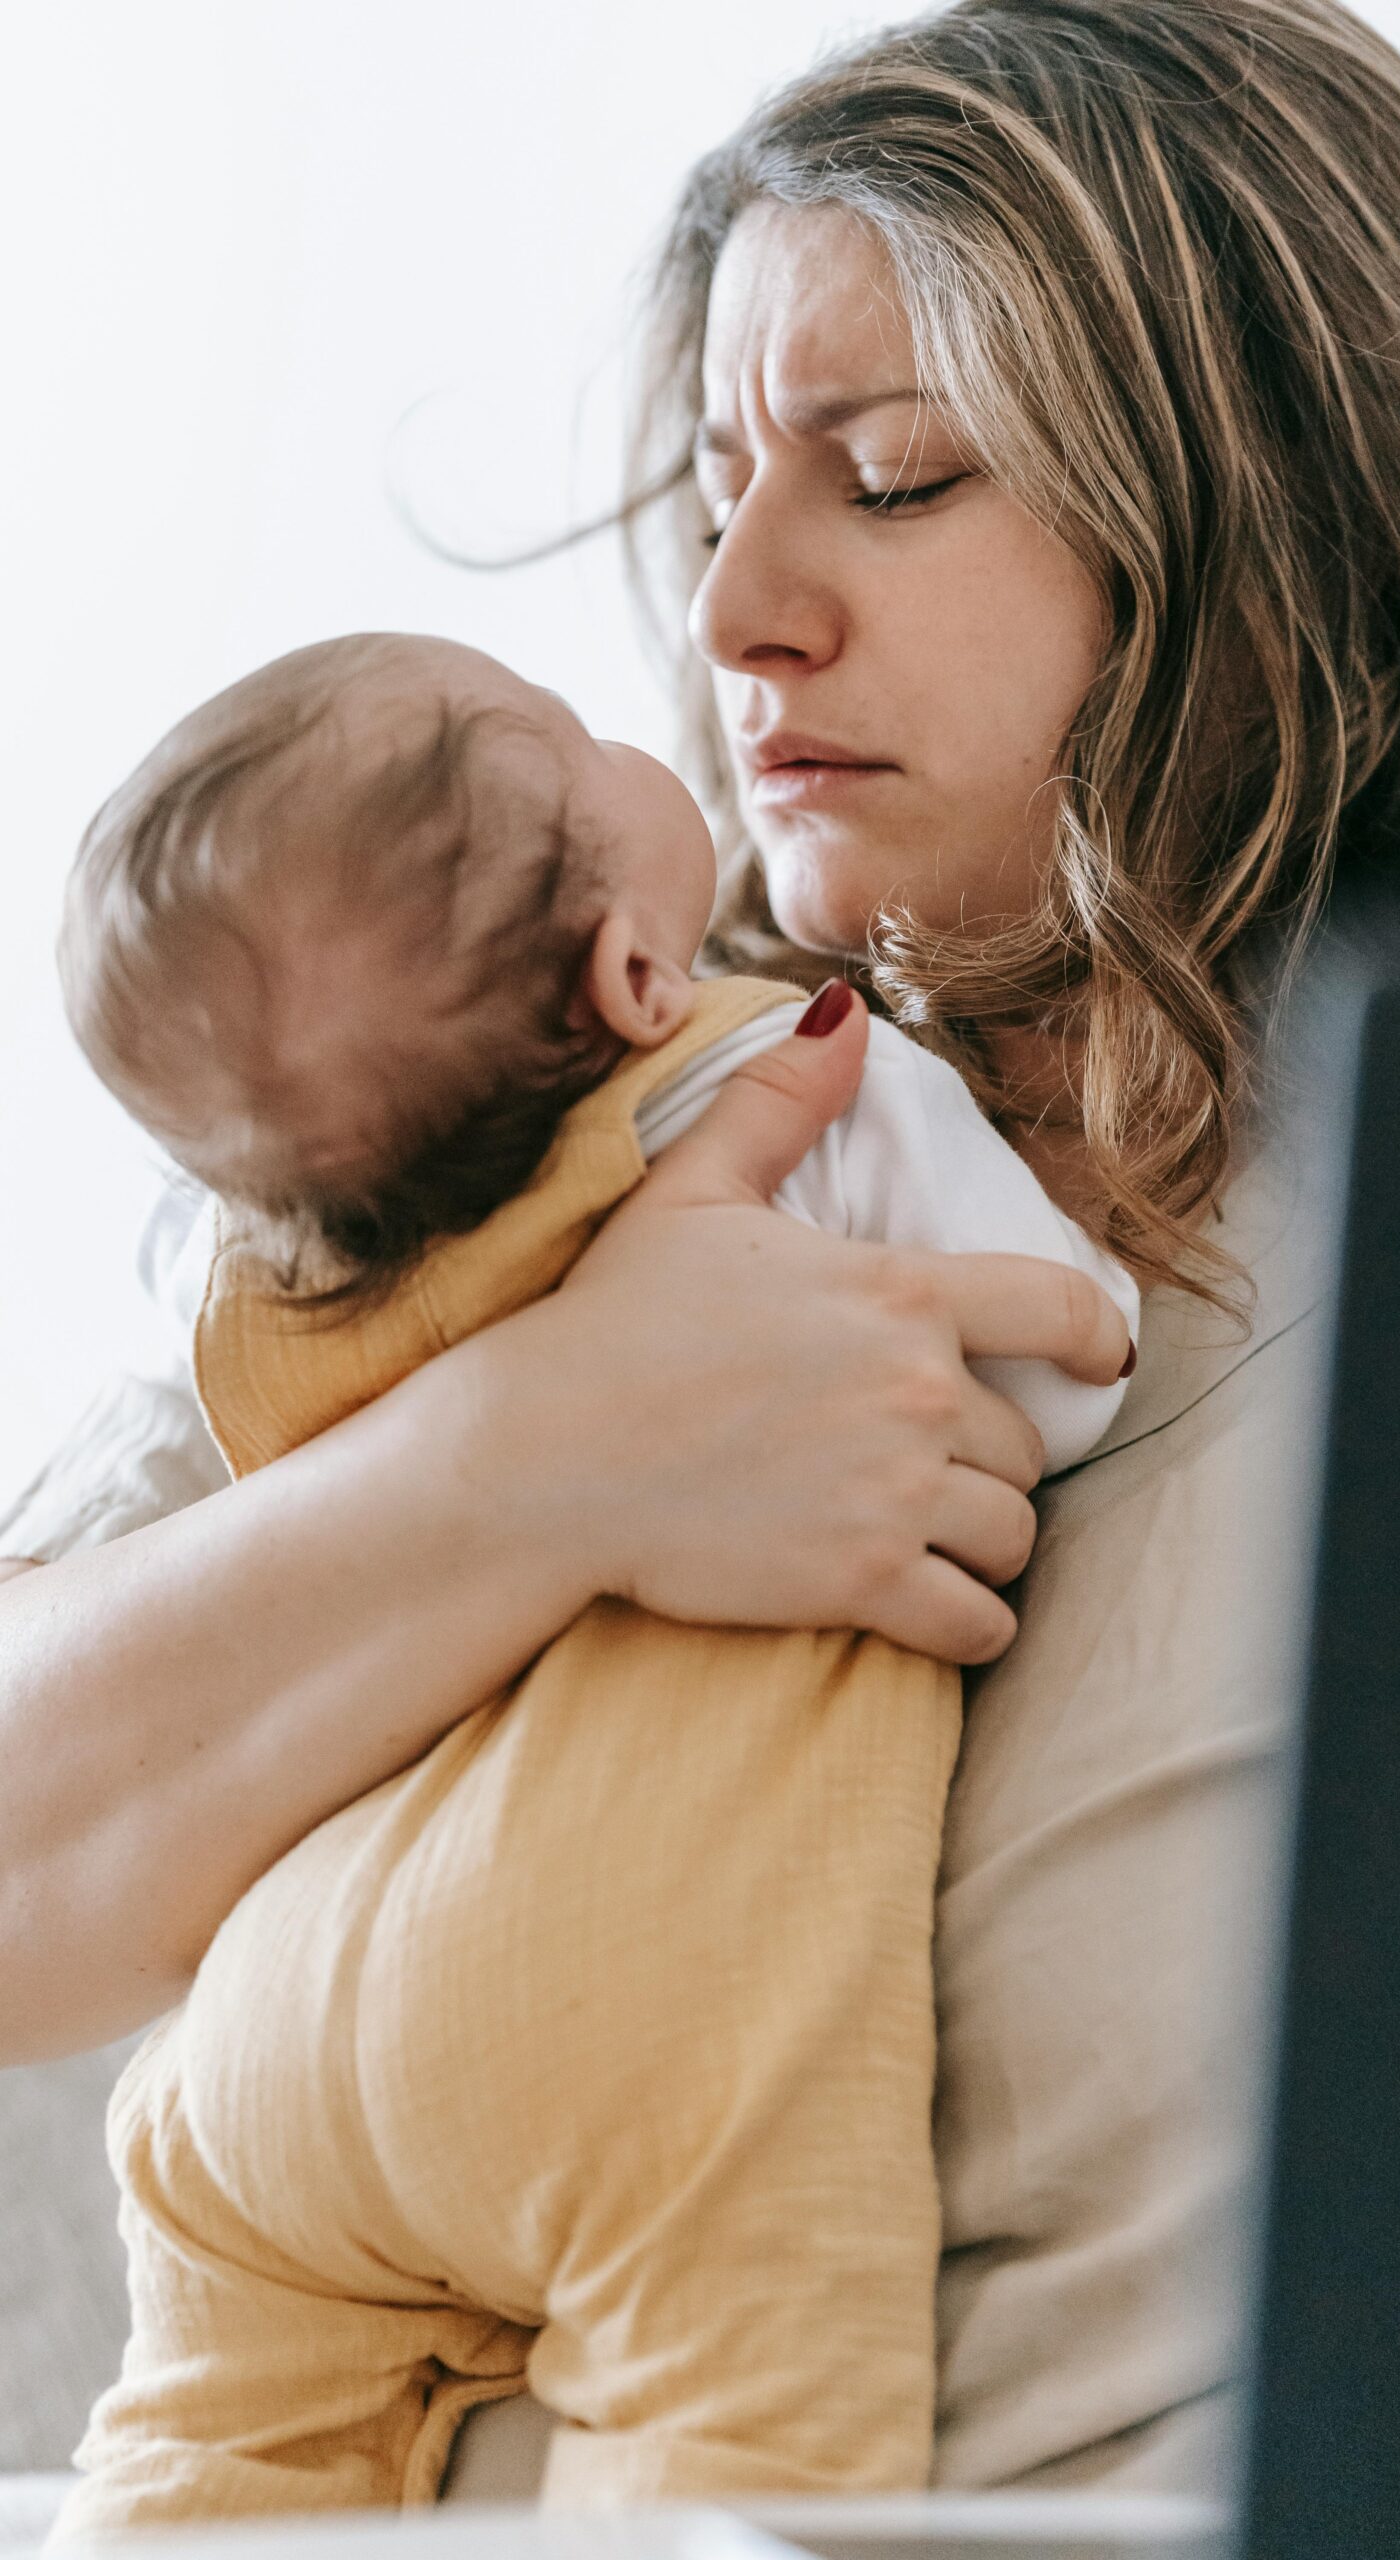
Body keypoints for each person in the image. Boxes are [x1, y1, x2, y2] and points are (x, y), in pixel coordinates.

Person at [5, 0, 1400, 2509]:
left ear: (1261, 508)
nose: (735, 612)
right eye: (718, 493)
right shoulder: (577, 1122)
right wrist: (535, 1459)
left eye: (893, 477)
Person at [42, 627, 1134, 2537]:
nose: (715, 638)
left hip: (261, 2063)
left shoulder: (248, 1280)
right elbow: (1051, 1368)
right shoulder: (792, 1086)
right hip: (608, 2005)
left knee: (206, 2455)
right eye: (569, 738)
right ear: (638, 971)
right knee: (736, 2419)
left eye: (893, 478)